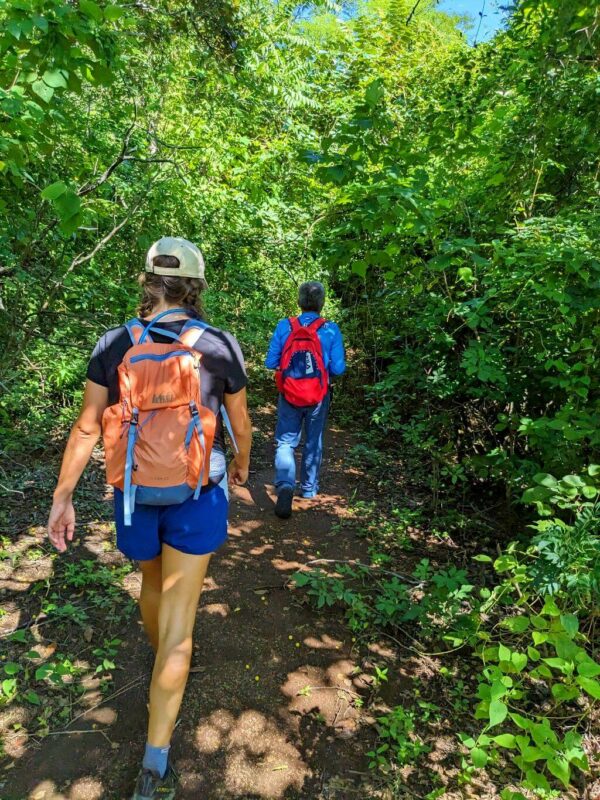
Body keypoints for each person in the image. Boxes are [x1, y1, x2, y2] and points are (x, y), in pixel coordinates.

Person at [46, 236, 252, 800]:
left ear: (147, 283)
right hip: (196, 493)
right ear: (196, 287)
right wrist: (240, 466)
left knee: (150, 581)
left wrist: (63, 497)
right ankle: (154, 761)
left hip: (134, 495)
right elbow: (239, 419)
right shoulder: (217, 345)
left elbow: (88, 426)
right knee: (181, 623)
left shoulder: (114, 344)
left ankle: (161, 652)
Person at [265, 281, 345, 519]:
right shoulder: (330, 329)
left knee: (286, 442)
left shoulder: (284, 326)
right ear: (322, 303)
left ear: (299, 302)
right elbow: (339, 369)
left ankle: (285, 485)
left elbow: (270, 362)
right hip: (318, 396)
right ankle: (308, 489)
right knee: (313, 440)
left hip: (289, 393)